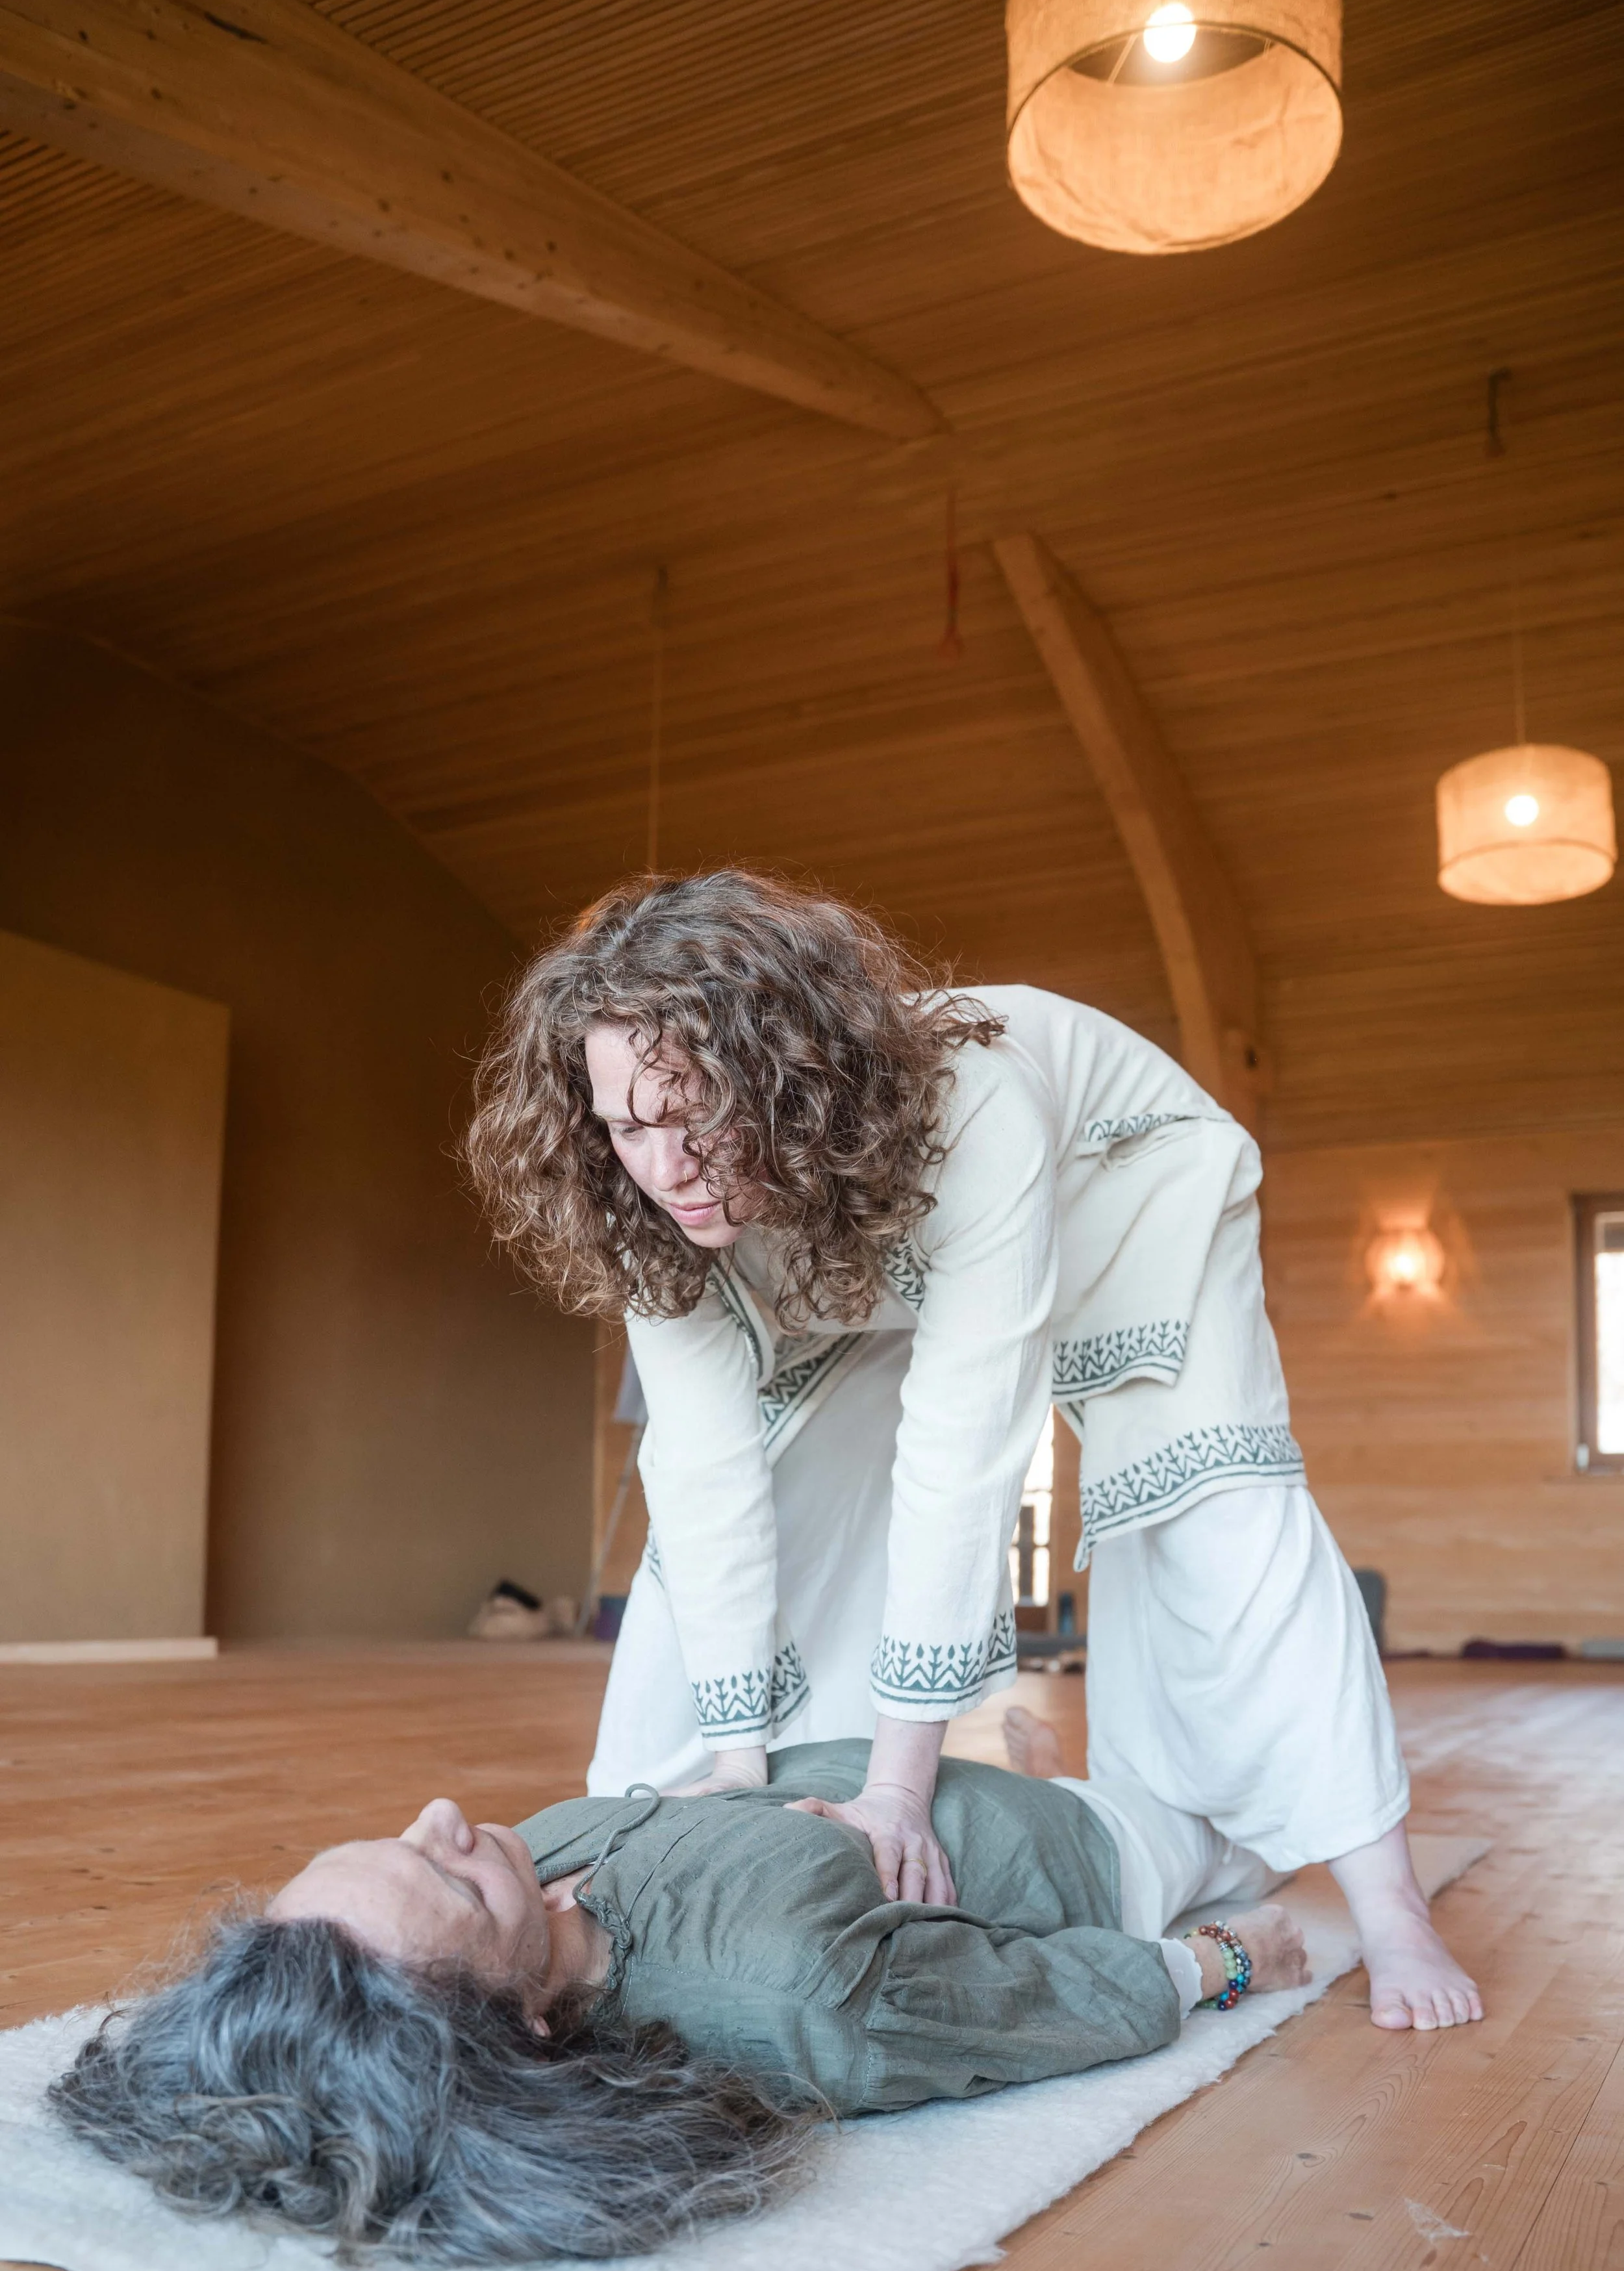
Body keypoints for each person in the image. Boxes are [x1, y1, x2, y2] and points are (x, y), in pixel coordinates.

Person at [465, 870, 1480, 2037]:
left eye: (698, 1113)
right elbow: (704, 1481)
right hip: (854, 1265)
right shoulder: (650, 1203)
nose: (668, 1164)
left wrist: (901, 1789)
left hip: (1123, 1195)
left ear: (783, 1074)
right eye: (629, 1124)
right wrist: (741, 1768)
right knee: (774, 1504)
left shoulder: (970, 1102)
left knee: (1206, 1500)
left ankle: (1391, 1902)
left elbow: (964, 1454)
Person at [51, 1719, 1311, 2266]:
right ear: (523, 2027)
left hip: (905, 1774)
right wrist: (1229, 1957)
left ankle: (1028, 1751)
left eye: (395, 1836)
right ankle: (1081, 1776)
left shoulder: (532, 1866)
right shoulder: (790, 1992)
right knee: (1278, 1795)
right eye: (448, 1874)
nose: (443, 1814)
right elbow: (1019, 2003)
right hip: (1103, 1849)